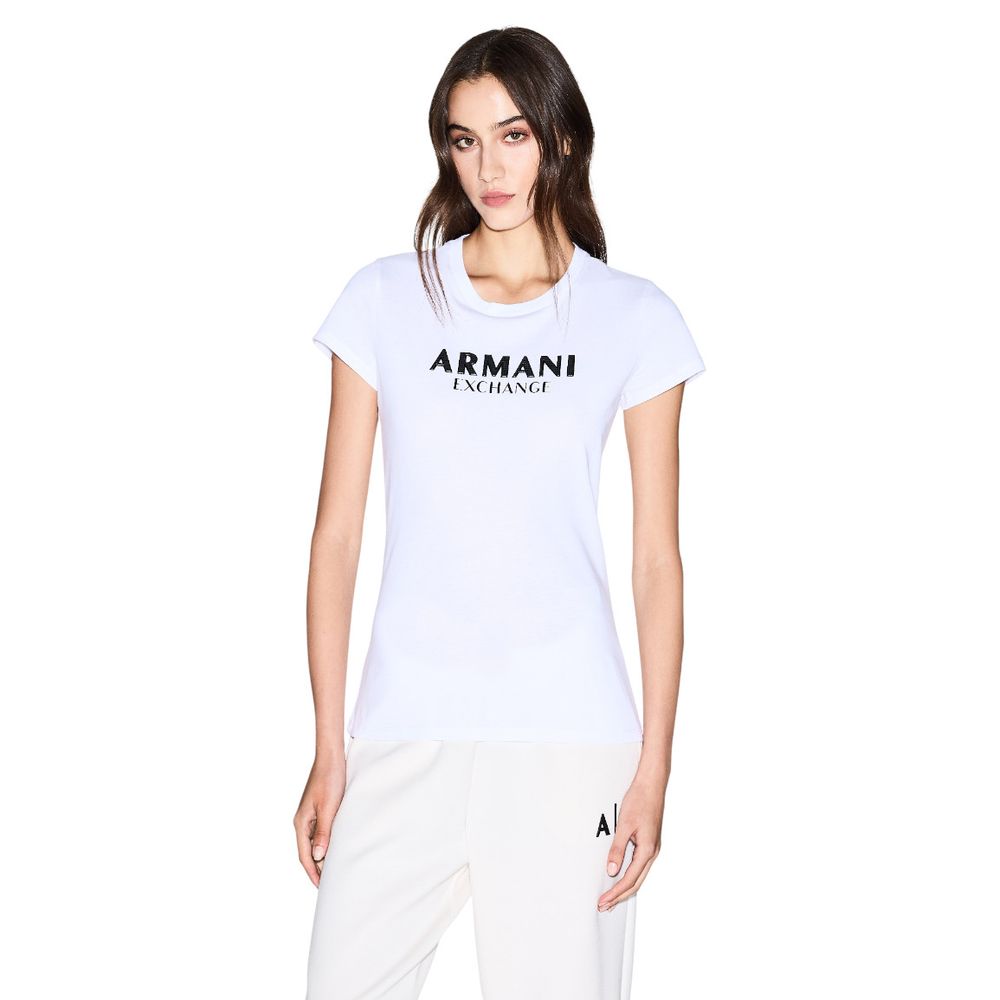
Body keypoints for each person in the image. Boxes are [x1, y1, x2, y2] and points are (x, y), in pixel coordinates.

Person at [294, 25, 706, 1000]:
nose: (488, 167)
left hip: (570, 741)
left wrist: (654, 765)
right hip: (402, 730)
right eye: (464, 139)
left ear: (560, 137)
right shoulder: (385, 300)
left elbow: (656, 560)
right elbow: (337, 536)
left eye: (512, 135)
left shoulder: (634, 318)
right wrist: (328, 745)